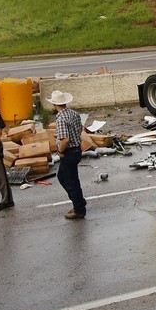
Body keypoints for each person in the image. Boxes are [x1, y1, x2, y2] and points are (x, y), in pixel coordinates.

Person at [50, 90, 87, 220]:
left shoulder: (61, 119)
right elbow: (79, 129)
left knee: (69, 181)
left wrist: (60, 151)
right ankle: (79, 202)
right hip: (77, 149)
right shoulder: (74, 113)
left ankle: (79, 208)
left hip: (69, 152)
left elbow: (65, 139)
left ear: (54, 105)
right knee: (69, 178)